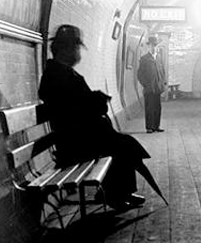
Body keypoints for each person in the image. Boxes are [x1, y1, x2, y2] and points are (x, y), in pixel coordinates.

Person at [38, 24, 148, 209]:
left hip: (76, 137)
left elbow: (77, 102)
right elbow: (77, 107)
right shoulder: (59, 75)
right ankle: (116, 195)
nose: (78, 52)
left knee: (122, 143)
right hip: (75, 143)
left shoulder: (58, 72)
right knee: (121, 145)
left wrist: (95, 98)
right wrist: (98, 100)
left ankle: (120, 193)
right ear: (66, 50)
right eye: (76, 48)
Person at [137, 35, 166, 133]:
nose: (154, 47)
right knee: (149, 108)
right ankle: (149, 127)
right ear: (148, 46)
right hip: (149, 88)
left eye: (155, 45)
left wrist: (162, 82)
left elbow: (162, 71)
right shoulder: (144, 58)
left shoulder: (159, 58)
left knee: (158, 107)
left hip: (157, 87)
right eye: (152, 45)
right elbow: (140, 74)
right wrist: (146, 84)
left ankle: (157, 126)